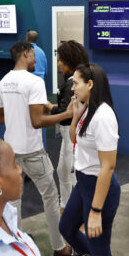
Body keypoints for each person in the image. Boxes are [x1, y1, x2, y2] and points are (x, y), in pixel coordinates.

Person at [0, 41, 76, 256]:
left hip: (10, 151)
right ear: (27, 53)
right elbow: (37, 121)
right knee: (50, 197)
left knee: (13, 201)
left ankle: (17, 245)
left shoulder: (3, 82)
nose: (37, 60)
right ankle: (60, 247)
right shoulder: (34, 82)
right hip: (33, 151)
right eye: (34, 55)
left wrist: (17, 115)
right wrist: (66, 115)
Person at [58, 63, 121, 256]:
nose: (72, 88)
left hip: (99, 188)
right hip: (83, 184)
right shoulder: (87, 109)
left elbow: (108, 166)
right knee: (67, 227)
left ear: (90, 84)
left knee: (100, 249)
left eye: (76, 83)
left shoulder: (104, 116)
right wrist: (75, 116)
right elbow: (75, 137)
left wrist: (95, 211)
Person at [50, 40, 89, 212]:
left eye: (62, 59)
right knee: (63, 172)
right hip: (70, 137)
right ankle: (65, 206)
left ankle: (70, 209)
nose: (59, 63)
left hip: (72, 138)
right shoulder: (76, 82)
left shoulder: (71, 84)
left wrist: (52, 109)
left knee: (71, 175)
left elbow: (67, 116)